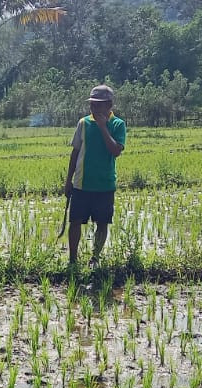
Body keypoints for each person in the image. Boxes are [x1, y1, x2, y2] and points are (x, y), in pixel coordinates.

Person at [64, 85, 127, 271]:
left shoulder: (117, 125)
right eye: (92, 104)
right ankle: (73, 260)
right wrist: (68, 181)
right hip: (81, 183)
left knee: (102, 222)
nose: (94, 109)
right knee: (75, 222)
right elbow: (75, 153)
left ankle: (95, 257)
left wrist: (102, 127)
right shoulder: (83, 123)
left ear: (109, 105)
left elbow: (115, 151)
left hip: (104, 184)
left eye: (98, 105)